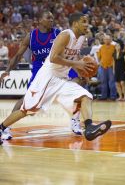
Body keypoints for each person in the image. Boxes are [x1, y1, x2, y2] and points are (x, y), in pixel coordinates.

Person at [0, 12, 112, 145]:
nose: (87, 25)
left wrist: (82, 72)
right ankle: (2, 128)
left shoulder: (81, 38)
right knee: (27, 110)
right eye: (84, 21)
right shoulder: (65, 35)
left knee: (85, 95)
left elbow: (73, 57)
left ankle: (89, 128)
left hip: (61, 78)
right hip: (47, 77)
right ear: (75, 23)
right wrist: (77, 64)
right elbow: (53, 58)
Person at [0, 11, 80, 140]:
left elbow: (71, 51)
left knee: (77, 82)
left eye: (52, 17)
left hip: (58, 67)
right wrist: (7, 70)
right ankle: (6, 127)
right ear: (39, 21)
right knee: (26, 101)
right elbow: (18, 56)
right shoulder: (30, 37)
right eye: (48, 17)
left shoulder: (58, 33)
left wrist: (78, 65)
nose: (51, 19)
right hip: (40, 70)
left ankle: (75, 119)